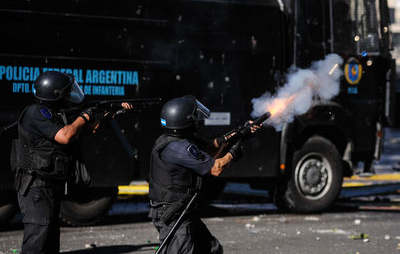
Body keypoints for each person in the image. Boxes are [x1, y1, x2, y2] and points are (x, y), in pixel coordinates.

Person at [13, 71, 132, 254]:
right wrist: (84, 116)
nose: (71, 95)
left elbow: (85, 130)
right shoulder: (35, 113)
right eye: (67, 92)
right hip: (36, 186)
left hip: (51, 184)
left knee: (50, 240)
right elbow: (65, 136)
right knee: (37, 241)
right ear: (55, 94)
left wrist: (109, 114)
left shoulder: (55, 113)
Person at [148, 95, 260, 253]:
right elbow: (216, 168)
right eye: (194, 118)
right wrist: (233, 153)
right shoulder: (179, 149)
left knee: (211, 249)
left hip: (182, 210)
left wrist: (239, 133)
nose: (197, 121)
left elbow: (210, 147)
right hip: (174, 215)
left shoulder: (173, 140)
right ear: (184, 121)